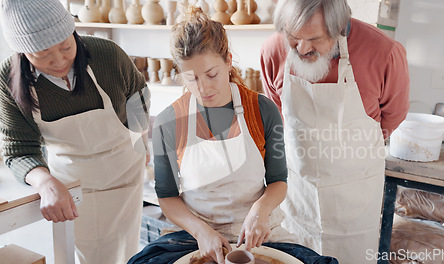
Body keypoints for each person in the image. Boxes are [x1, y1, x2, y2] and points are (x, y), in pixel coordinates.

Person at [128, 6, 338, 264]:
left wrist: (260, 212)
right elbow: (167, 196)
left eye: (211, 74)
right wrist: (201, 232)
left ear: (228, 61)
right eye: (191, 78)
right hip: (195, 233)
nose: (203, 88)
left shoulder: (262, 110)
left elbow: (278, 181)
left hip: (257, 232)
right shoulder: (168, 123)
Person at [0, 0, 150, 263]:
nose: (58, 60)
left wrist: (141, 137)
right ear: (22, 52)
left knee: (128, 253)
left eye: (66, 46)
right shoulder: (8, 78)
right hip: (71, 186)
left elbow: (138, 95)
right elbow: (18, 149)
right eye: (42, 53)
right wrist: (45, 182)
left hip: (125, 173)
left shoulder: (107, 54)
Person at [260, 0, 410, 263]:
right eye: (293, 37)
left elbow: (392, 118)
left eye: (315, 39)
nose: (303, 48)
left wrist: (350, 150)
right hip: (300, 192)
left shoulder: (383, 53)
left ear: (340, 27)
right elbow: (277, 114)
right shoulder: (273, 51)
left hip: (355, 194)